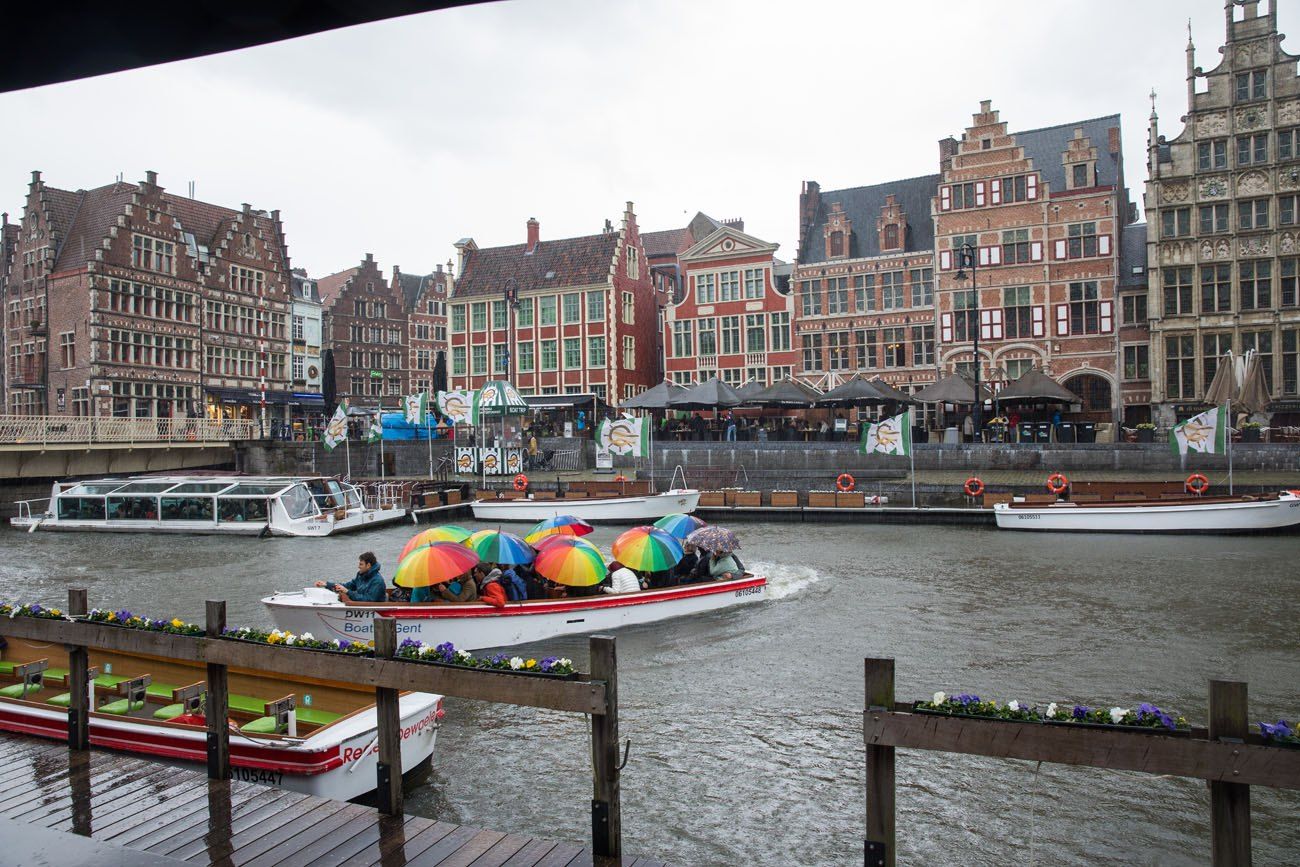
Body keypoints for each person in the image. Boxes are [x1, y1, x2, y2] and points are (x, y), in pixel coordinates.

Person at [316, 552, 387, 602]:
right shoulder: (360, 575)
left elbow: (369, 599)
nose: (358, 567)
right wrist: (326, 584)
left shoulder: (377, 581)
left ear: (368, 565)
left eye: (361, 564)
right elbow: (347, 586)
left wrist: (347, 592)